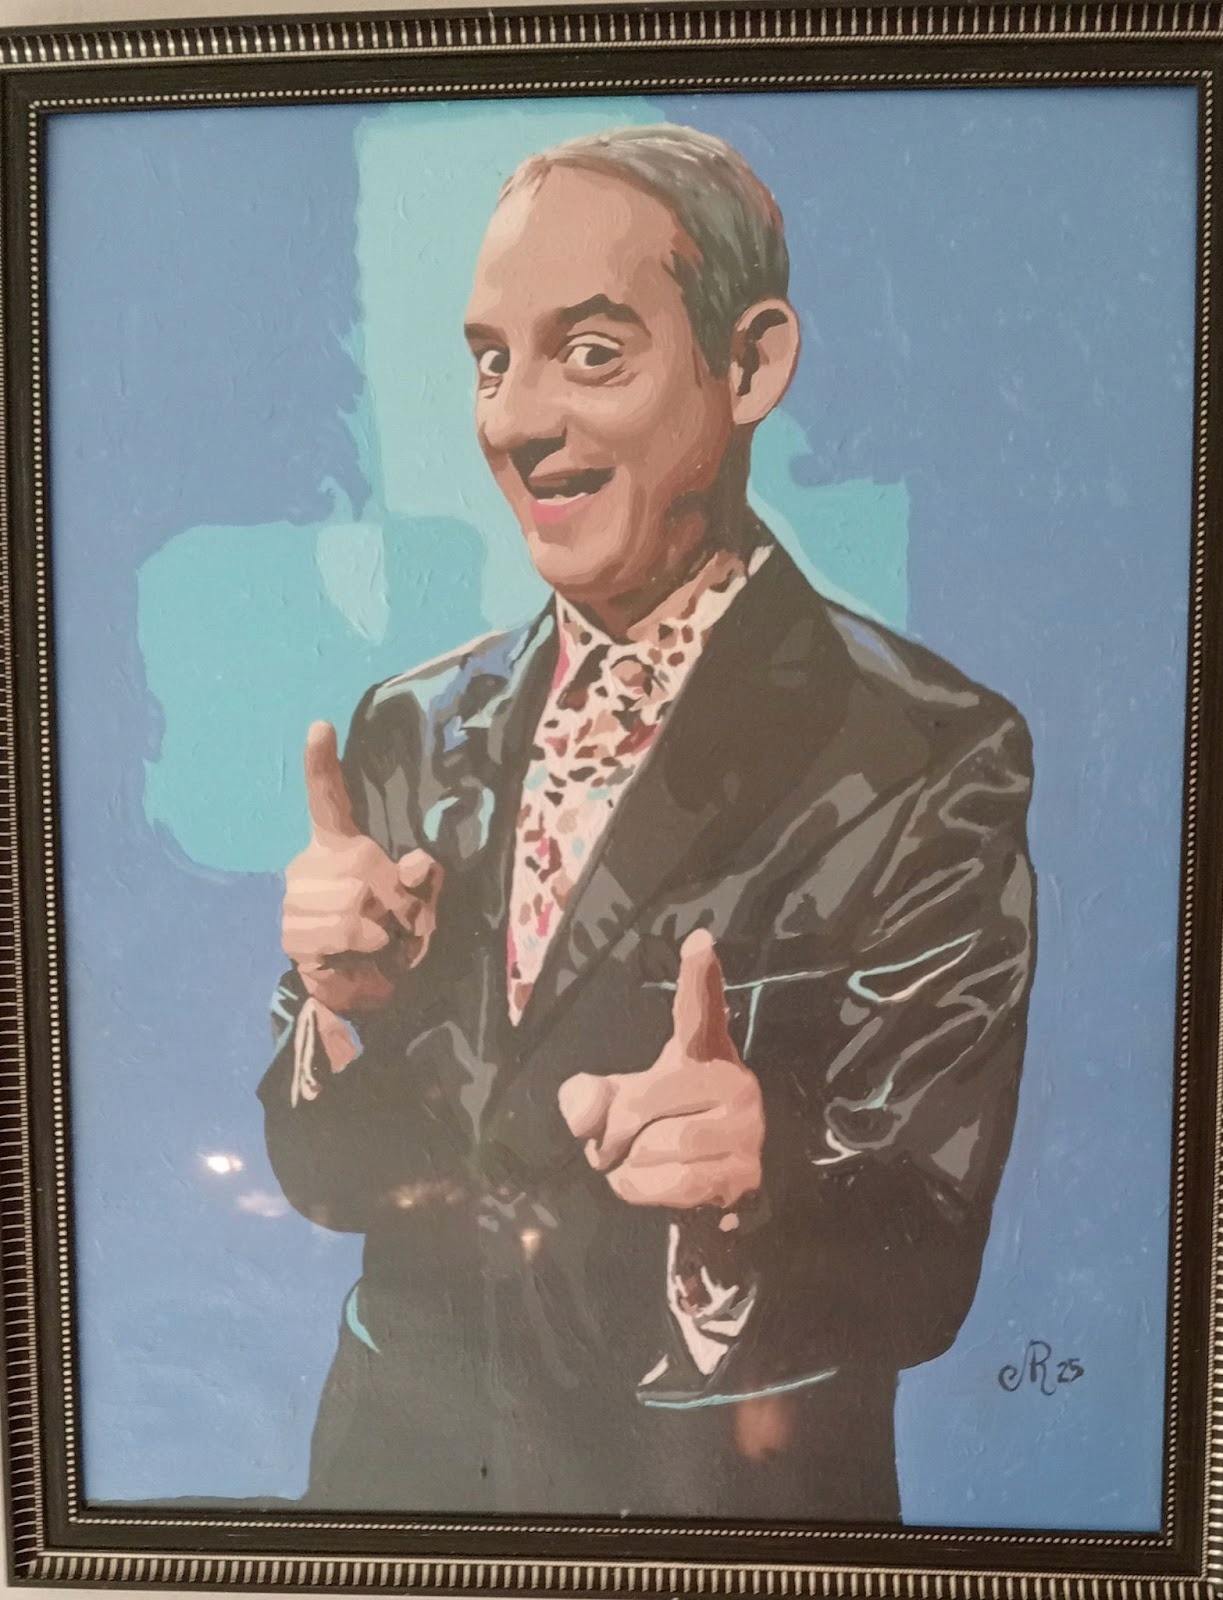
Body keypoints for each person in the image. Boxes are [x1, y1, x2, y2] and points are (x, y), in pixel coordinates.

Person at [259, 124, 1036, 1522]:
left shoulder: (925, 752)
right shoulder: (406, 729)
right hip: (399, 1517)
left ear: (753, 365)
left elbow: (926, 1265)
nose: (516, 419)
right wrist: (343, 1014)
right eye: (490, 361)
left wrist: (752, 1192)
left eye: (591, 352)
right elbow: (327, 1184)